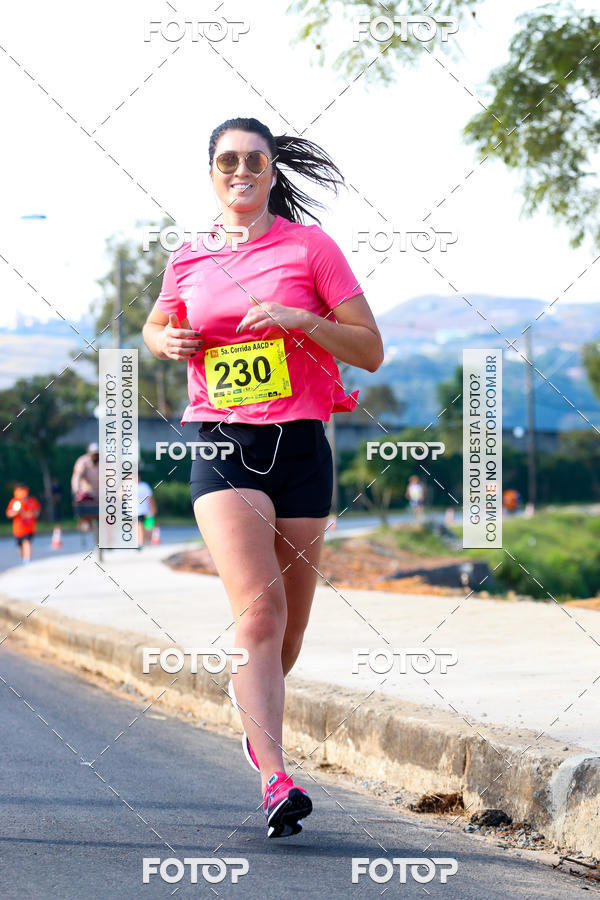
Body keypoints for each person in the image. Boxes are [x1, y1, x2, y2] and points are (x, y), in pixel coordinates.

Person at [143, 117, 384, 839]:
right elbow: (158, 325)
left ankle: (254, 715)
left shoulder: (312, 249)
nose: (241, 171)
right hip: (223, 443)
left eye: (254, 160)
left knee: (290, 630)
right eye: (227, 161)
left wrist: (298, 319)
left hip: (304, 447)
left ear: (272, 172)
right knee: (261, 614)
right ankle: (275, 778)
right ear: (211, 173)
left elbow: (370, 350)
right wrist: (166, 338)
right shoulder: (187, 257)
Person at [6, 484, 41, 564]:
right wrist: (16, 512)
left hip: (29, 528)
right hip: (18, 529)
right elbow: (8, 513)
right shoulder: (14, 502)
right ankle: (23, 559)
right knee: (20, 546)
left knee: (27, 542)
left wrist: (31, 514)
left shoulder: (32, 501)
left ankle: (27, 560)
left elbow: (37, 512)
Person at [71, 442, 100, 536]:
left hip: (100, 491)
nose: (95, 456)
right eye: (94, 454)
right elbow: (77, 476)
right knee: (80, 501)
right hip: (87, 491)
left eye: (97, 454)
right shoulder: (82, 461)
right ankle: (84, 521)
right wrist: (76, 490)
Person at [137, 475, 157, 546]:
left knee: (141, 526)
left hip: (142, 510)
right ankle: (140, 541)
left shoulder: (144, 486)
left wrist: (153, 507)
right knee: (138, 526)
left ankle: (140, 542)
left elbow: (150, 498)